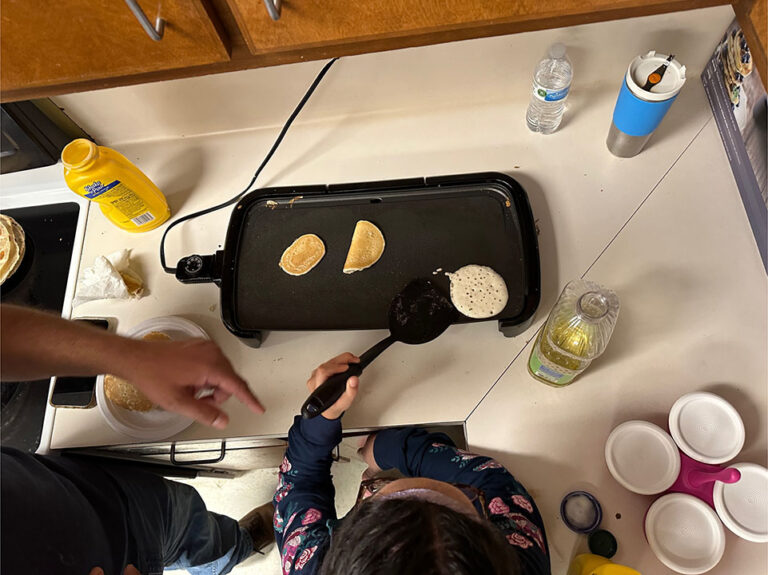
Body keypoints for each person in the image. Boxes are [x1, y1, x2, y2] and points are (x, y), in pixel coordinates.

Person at [1, 304, 272, 575]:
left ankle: (235, 547)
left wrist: (131, 357)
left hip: (95, 494)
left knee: (190, 520)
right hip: (128, 564)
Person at [273, 353, 551, 575]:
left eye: (381, 488)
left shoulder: (307, 564)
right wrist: (388, 448)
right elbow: (494, 479)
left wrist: (318, 424)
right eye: (463, 494)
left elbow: (298, 483)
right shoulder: (521, 561)